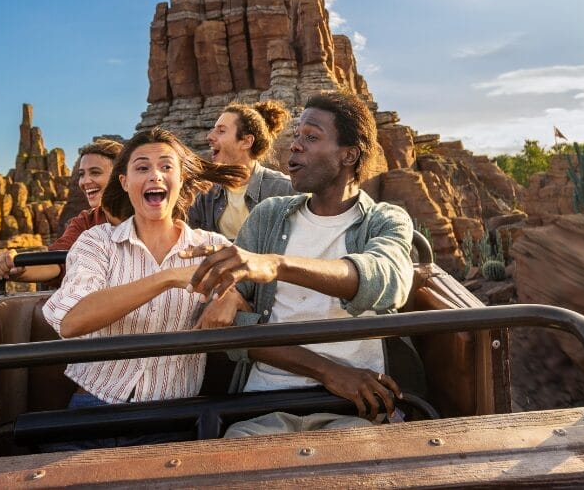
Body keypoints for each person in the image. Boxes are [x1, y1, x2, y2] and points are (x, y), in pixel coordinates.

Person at [182, 90, 415, 436]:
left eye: (311, 137)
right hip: (263, 406)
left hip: (353, 409)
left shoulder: (384, 220)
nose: (295, 145)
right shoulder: (268, 216)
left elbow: (387, 280)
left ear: (349, 155)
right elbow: (227, 325)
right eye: (296, 135)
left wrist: (277, 266)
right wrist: (328, 372)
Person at [42, 126, 248, 421]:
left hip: (175, 415)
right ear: (124, 182)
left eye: (166, 167)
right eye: (142, 168)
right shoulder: (97, 242)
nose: (155, 176)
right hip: (93, 410)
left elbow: (255, 311)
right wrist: (166, 278)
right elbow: (71, 321)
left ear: (182, 178)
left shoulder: (212, 246)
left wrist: (233, 299)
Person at [0, 138, 123, 285]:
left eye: (95, 173)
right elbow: (57, 261)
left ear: (121, 177)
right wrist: (19, 267)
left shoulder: (141, 217)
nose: (85, 181)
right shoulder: (85, 221)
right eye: (81, 174)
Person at [188, 100, 294, 239]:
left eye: (221, 131)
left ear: (246, 142)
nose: (210, 137)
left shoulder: (286, 190)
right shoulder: (205, 195)